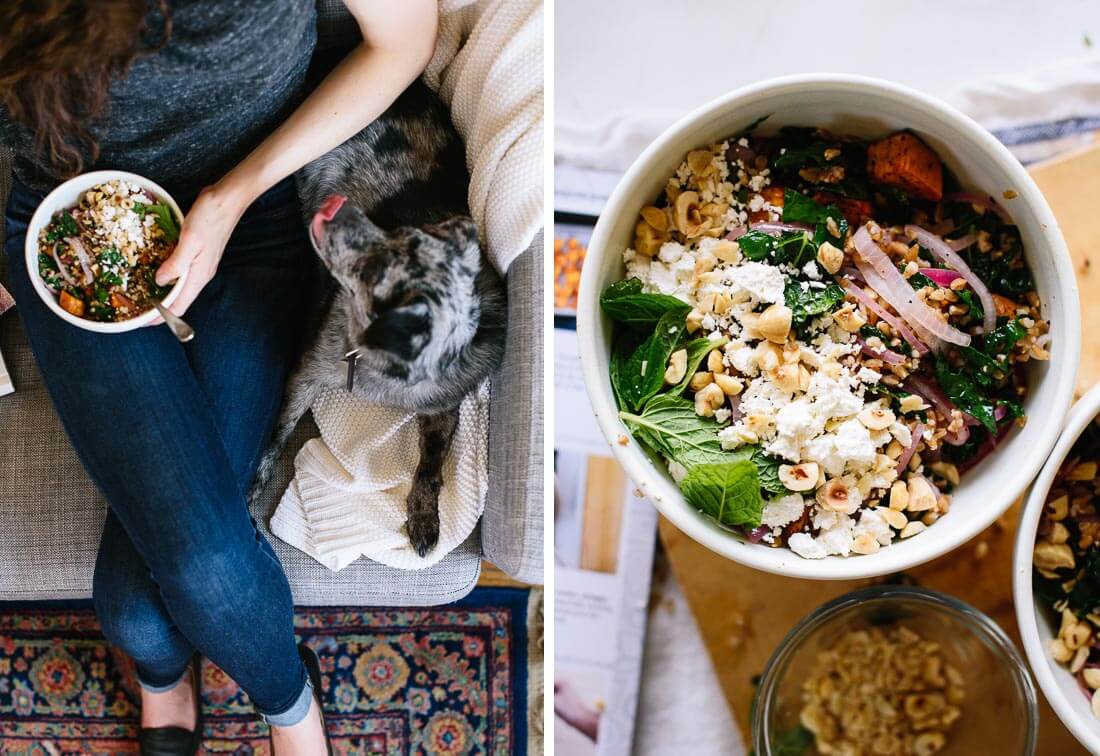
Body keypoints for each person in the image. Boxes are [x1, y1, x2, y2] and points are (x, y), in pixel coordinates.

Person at [0, 1, 438, 753]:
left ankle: (270, 708)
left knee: (139, 609)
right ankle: (219, 688)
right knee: (154, 604)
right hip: (69, 228)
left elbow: (402, 44)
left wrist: (232, 197)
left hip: (251, 212)